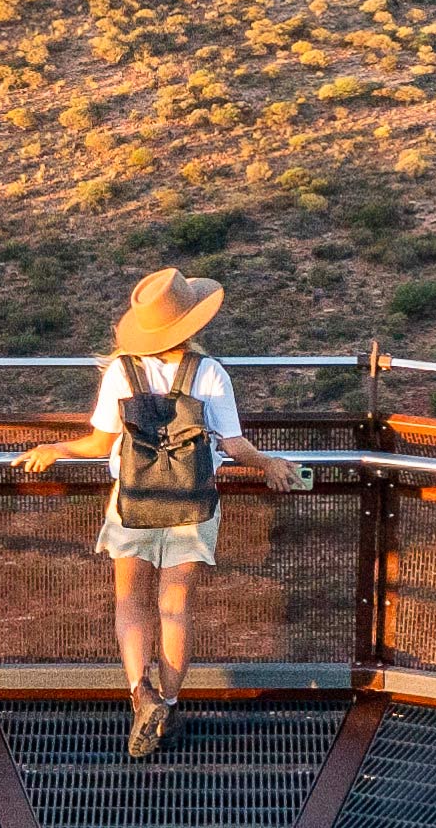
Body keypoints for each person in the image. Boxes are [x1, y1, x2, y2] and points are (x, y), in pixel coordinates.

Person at [19, 267, 292, 755]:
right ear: (191, 323)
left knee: (130, 603)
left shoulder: (119, 372)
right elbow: (233, 443)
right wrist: (268, 463)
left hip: (133, 501)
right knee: (175, 607)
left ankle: (138, 694)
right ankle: (167, 702)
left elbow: (101, 441)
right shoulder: (208, 373)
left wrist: (54, 448)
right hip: (191, 502)